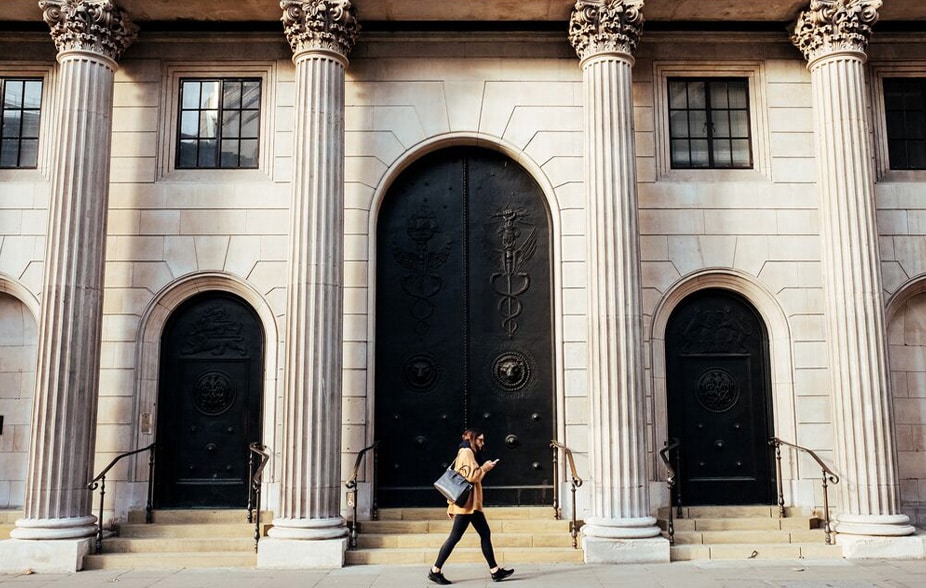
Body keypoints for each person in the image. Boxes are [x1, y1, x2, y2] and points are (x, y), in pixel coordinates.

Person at [428, 429, 514, 585]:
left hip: (471, 505)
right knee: (454, 538)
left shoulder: (467, 452)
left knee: (485, 533)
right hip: (466, 505)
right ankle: (435, 570)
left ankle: (495, 571)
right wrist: (486, 468)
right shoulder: (466, 452)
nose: (482, 443)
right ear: (472, 439)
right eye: (480, 440)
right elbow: (472, 476)